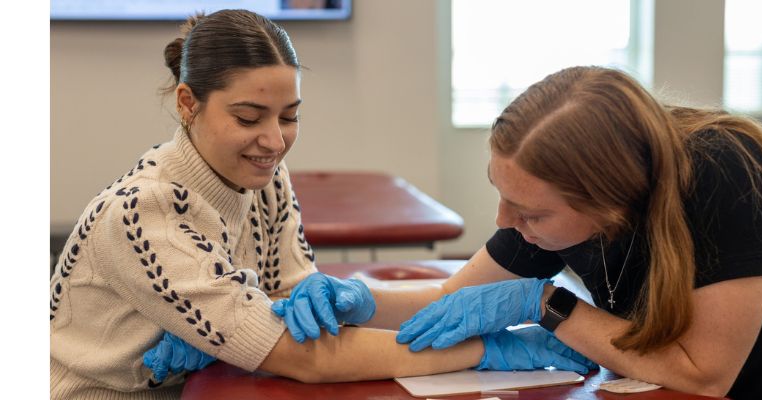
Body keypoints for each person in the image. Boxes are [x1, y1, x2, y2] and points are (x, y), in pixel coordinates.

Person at [49, 9, 595, 399]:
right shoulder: (145, 213)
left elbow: (295, 307)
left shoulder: (265, 177)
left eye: (289, 116)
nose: (273, 140)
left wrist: (284, 320)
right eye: (247, 118)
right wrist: (485, 351)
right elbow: (297, 356)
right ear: (188, 103)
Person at [162, 65, 762, 399]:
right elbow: (453, 301)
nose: (504, 224)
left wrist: (548, 307)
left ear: (611, 200)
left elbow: (706, 374)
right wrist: (326, 302)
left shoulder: (719, 171)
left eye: (529, 214)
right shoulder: (550, 196)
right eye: (501, 194)